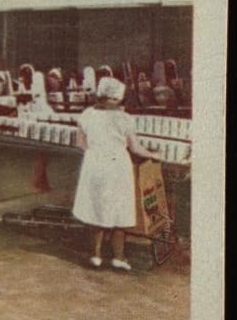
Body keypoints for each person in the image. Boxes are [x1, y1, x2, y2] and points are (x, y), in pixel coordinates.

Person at [71, 76, 167, 271]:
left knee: (96, 210)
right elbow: (136, 148)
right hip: (117, 167)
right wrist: (154, 153)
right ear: (116, 98)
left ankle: (96, 256)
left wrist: (98, 150)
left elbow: (80, 143)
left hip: (94, 164)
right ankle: (119, 257)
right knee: (119, 211)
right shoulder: (124, 118)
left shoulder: (87, 114)